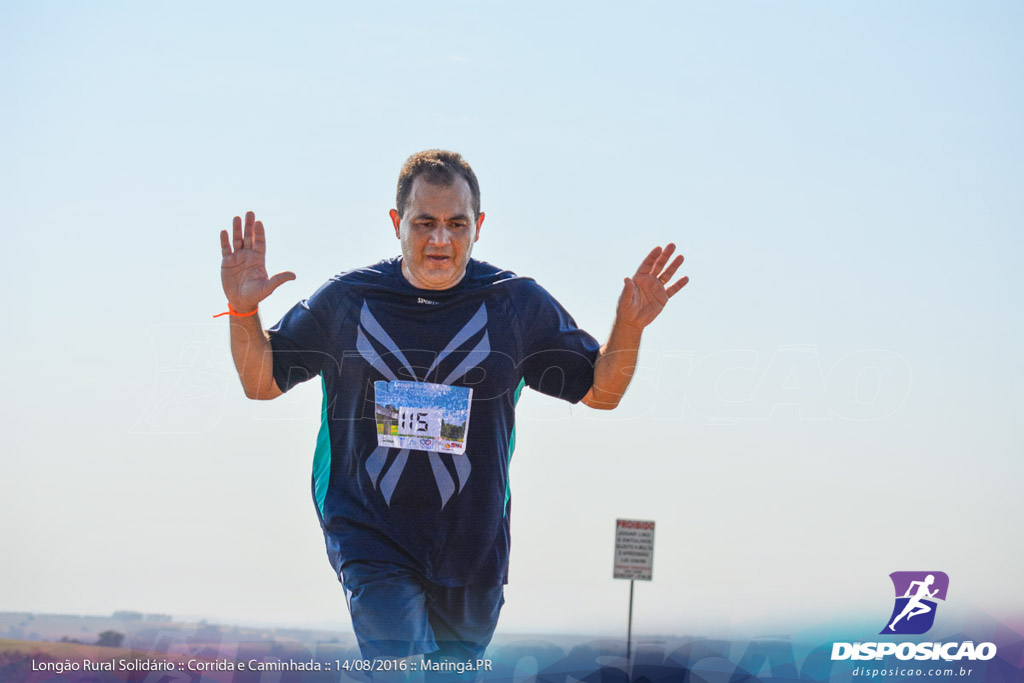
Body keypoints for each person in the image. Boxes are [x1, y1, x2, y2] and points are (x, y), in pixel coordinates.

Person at [217, 150, 688, 671]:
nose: (440, 240)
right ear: (397, 224)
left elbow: (601, 391)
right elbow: (262, 383)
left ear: (478, 227)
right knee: (399, 667)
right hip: (370, 535)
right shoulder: (348, 301)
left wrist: (630, 327)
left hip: (472, 548)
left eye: (456, 224)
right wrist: (243, 311)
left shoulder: (514, 304)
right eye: (424, 223)